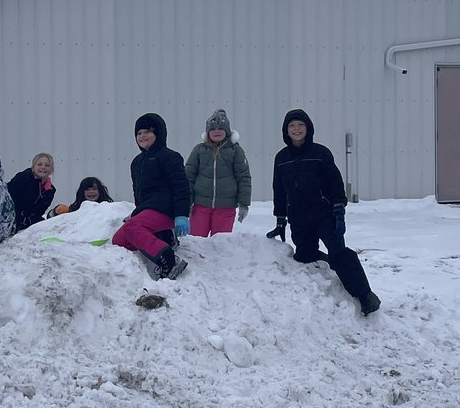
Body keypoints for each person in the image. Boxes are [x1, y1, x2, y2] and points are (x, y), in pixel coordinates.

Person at [267, 109, 381, 316]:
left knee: (339, 252)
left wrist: (339, 208)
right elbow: (279, 189)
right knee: (304, 256)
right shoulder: (281, 158)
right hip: (299, 217)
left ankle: (365, 295)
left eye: (300, 125)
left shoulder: (320, 153)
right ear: (286, 131)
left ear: (308, 128)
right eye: (292, 126)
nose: (296, 129)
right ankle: (326, 263)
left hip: (324, 213)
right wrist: (280, 218)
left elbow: (334, 181)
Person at [112, 112, 190, 280]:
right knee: (119, 240)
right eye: (138, 133)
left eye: (147, 131)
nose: (142, 136)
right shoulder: (136, 162)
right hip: (148, 210)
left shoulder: (170, 157)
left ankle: (170, 260)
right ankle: (164, 239)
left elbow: (181, 186)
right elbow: (138, 194)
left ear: (159, 133)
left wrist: (182, 214)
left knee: (132, 228)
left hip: (166, 209)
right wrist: (136, 213)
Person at [185, 108, 251, 237]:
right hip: (200, 206)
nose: (216, 131)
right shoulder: (199, 150)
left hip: (226, 208)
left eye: (220, 128)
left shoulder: (235, 150)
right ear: (208, 132)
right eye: (212, 129)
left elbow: (244, 177)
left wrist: (244, 203)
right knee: (197, 240)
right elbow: (189, 176)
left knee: (220, 243)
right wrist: (187, 201)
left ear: (226, 131)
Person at [7, 153, 57, 231]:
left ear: (51, 169)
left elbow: (38, 212)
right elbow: (9, 200)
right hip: (10, 220)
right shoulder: (22, 178)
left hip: (27, 224)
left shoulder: (50, 190)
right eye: (39, 164)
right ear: (33, 167)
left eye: (47, 165)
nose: (43, 167)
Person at [46, 176, 114, 217]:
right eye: (87, 189)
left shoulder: (109, 208)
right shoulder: (75, 208)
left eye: (94, 189)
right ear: (82, 192)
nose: (91, 191)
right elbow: (51, 220)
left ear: (100, 191)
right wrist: (55, 211)